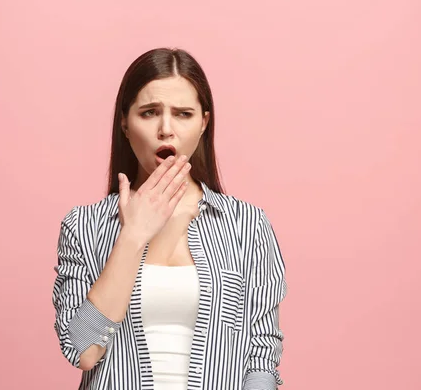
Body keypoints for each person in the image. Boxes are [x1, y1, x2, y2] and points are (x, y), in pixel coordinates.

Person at [52, 48, 287, 390]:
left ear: (203, 123)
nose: (166, 129)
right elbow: (83, 349)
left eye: (183, 114)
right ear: (124, 122)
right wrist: (133, 234)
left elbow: (262, 355)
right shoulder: (84, 226)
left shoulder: (246, 225)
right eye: (149, 113)